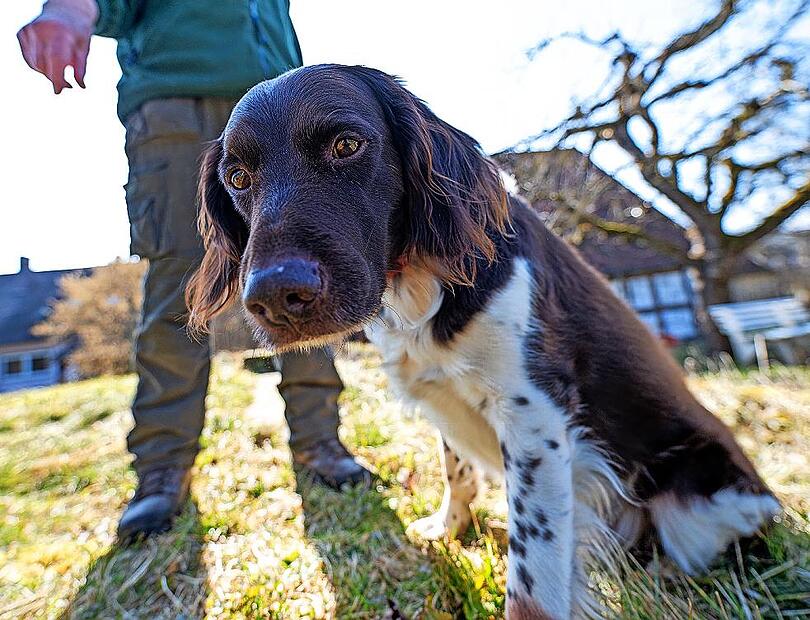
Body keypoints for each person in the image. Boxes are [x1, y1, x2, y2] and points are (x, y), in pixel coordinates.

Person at [17, 0, 370, 539]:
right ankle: (162, 470)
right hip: (176, 109)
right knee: (179, 289)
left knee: (304, 267)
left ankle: (320, 441)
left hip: (283, 104)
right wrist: (66, 11)